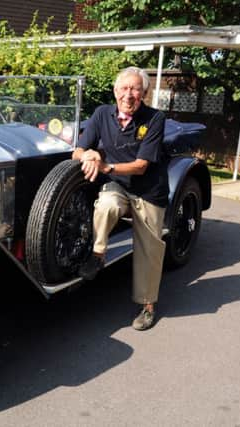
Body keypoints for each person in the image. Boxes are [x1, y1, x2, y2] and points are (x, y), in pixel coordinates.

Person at [72, 66, 168, 331]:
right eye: (124, 88)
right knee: (106, 204)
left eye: (136, 89)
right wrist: (89, 155)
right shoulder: (102, 113)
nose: (129, 95)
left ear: (144, 93)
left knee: (149, 247)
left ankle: (147, 305)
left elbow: (141, 166)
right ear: (115, 92)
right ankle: (98, 254)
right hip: (119, 186)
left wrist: (106, 167)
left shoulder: (155, 118)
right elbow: (77, 150)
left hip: (149, 189)